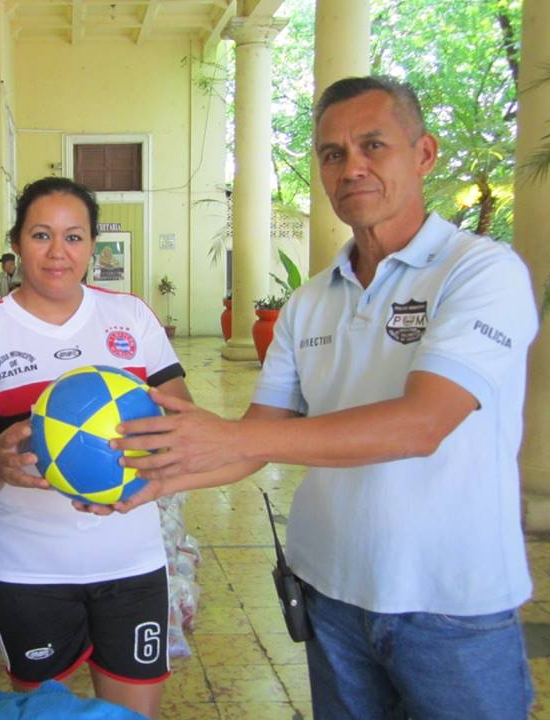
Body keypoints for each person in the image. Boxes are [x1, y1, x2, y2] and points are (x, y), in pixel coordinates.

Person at [96, 76, 539, 719]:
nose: (350, 167)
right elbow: (254, 440)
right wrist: (147, 483)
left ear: (424, 154)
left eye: (372, 145)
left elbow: (421, 425)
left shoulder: (480, 272)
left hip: (452, 606)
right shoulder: (310, 301)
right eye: (332, 154)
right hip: (330, 597)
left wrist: (231, 436)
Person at [0, 177, 191, 719]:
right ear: (15, 241)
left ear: (92, 245)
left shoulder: (130, 317)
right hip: (30, 569)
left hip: (132, 559)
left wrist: (151, 465)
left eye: (74, 237)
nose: (59, 252)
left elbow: (182, 423)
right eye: (41, 235)